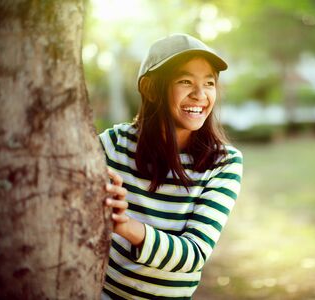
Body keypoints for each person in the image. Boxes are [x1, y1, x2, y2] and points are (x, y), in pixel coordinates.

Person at [100, 33, 243, 299]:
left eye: (209, 83)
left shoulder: (225, 163)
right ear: (151, 89)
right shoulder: (113, 144)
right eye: (185, 81)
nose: (200, 95)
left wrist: (124, 225)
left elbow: (194, 255)